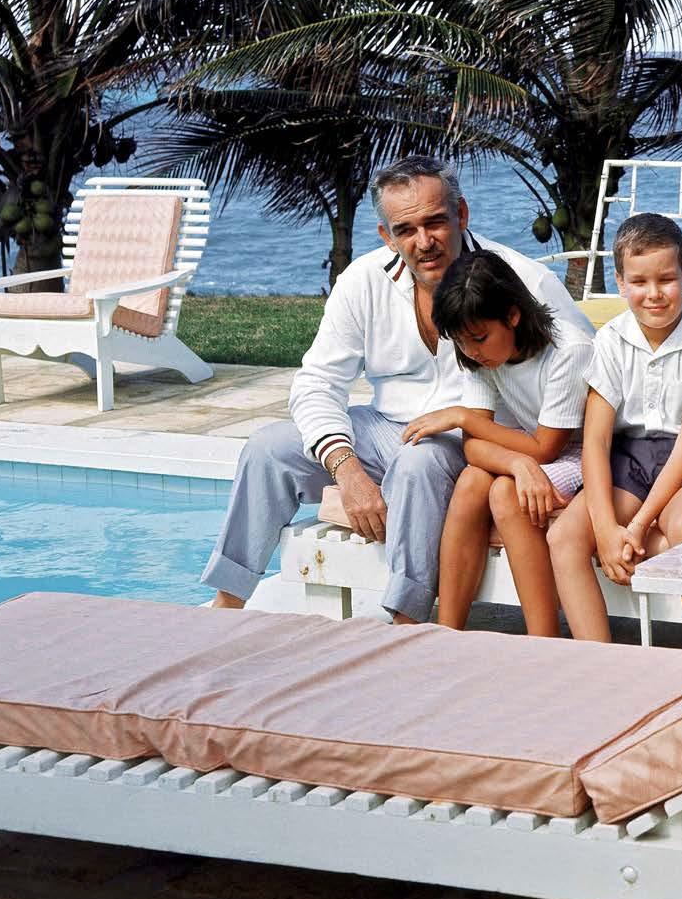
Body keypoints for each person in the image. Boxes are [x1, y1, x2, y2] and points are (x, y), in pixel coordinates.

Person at [200, 155, 591, 625]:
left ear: (461, 214)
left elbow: (583, 364)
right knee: (268, 448)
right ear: (387, 235)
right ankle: (225, 608)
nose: (424, 242)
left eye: (435, 222)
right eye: (406, 230)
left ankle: (406, 624)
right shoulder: (362, 280)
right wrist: (345, 468)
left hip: (473, 438)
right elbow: (317, 382)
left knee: (418, 463)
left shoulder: (524, 281)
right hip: (385, 426)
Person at [548, 213, 682, 653]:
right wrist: (605, 530)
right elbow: (597, 442)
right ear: (620, 282)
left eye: (666, 279)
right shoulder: (610, 341)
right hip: (630, 457)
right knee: (565, 536)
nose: (653, 293)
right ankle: (599, 661)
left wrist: (635, 526)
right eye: (639, 281)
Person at [402, 250, 593, 636]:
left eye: (479, 338)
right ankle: (448, 633)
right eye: (461, 341)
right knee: (472, 480)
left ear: (513, 315)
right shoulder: (479, 352)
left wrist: (462, 416)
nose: (471, 351)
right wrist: (518, 463)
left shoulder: (569, 350)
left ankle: (542, 639)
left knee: (506, 493)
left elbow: (547, 448)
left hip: (591, 453)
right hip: (538, 449)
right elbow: (473, 447)